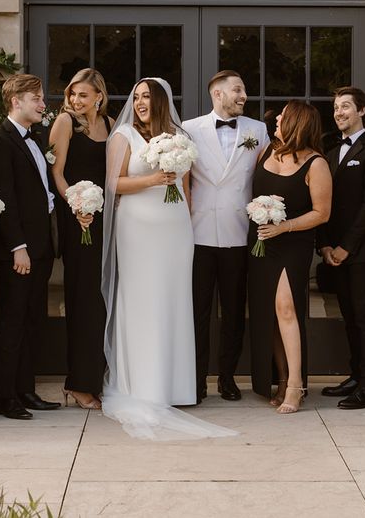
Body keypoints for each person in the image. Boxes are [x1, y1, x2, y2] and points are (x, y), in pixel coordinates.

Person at [101, 77, 235, 439]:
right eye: (137, 97)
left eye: (147, 96)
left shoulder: (180, 137)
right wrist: (153, 179)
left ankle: (176, 387)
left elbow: (186, 188)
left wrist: (188, 227)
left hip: (175, 229)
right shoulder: (123, 135)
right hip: (137, 226)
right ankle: (143, 386)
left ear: (160, 100)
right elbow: (114, 184)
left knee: (174, 302)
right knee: (142, 302)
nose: (141, 102)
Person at [182, 70, 269, 403]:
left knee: (234, 312)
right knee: (198, 312)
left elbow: (266, 176)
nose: (243, 95)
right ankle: (196, 380)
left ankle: (228, 378)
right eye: (237, 89)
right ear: (217, 94)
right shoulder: (189, 129)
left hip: (239, 232)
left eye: (244, 89)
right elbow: (184, 181)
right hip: (198, 233)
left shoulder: (258, 130)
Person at [0, 74, 59, 420]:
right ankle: (5, 396)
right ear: (16, 101)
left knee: (32, 320)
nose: (43, 105)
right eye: (37, 99)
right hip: (20, 249)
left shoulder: (36, 137)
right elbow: (6, 200)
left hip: (41, 245)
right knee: (12, 322)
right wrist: (18, 247)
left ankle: (27, 390)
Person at [248, 101, 332, 414]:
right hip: (260, 243)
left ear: (297, 123)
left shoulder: (316, 164)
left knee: (286, 309)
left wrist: (285, 227)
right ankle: (281, 379)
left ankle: (296, 384)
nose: (277, 118)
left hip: (292, 244)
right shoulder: (267, 151)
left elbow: (322, 213)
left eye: (283, 116)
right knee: (269, 314)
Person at [317, 87, 365, 409]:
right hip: (333, 250)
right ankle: (354, 374)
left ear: (362, 110)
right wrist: (325, 246)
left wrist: (347, 247)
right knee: (347, 315)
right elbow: (322, 202)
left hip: (361, 251)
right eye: (336, 107)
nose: (338, 112)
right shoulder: (330, 152)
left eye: (345, 106)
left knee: (363, 316)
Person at [50, 69, 112, 410]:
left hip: (106, 222)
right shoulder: (65, 124)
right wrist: (76, 206)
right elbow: (56, 173)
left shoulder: (112, 123)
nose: (75, 101)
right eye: (72, 94)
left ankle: (97, 377)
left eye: (83, 95)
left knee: (102, 302)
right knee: (83, 301)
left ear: (99, 97)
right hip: (80, 221)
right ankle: (77, 383)